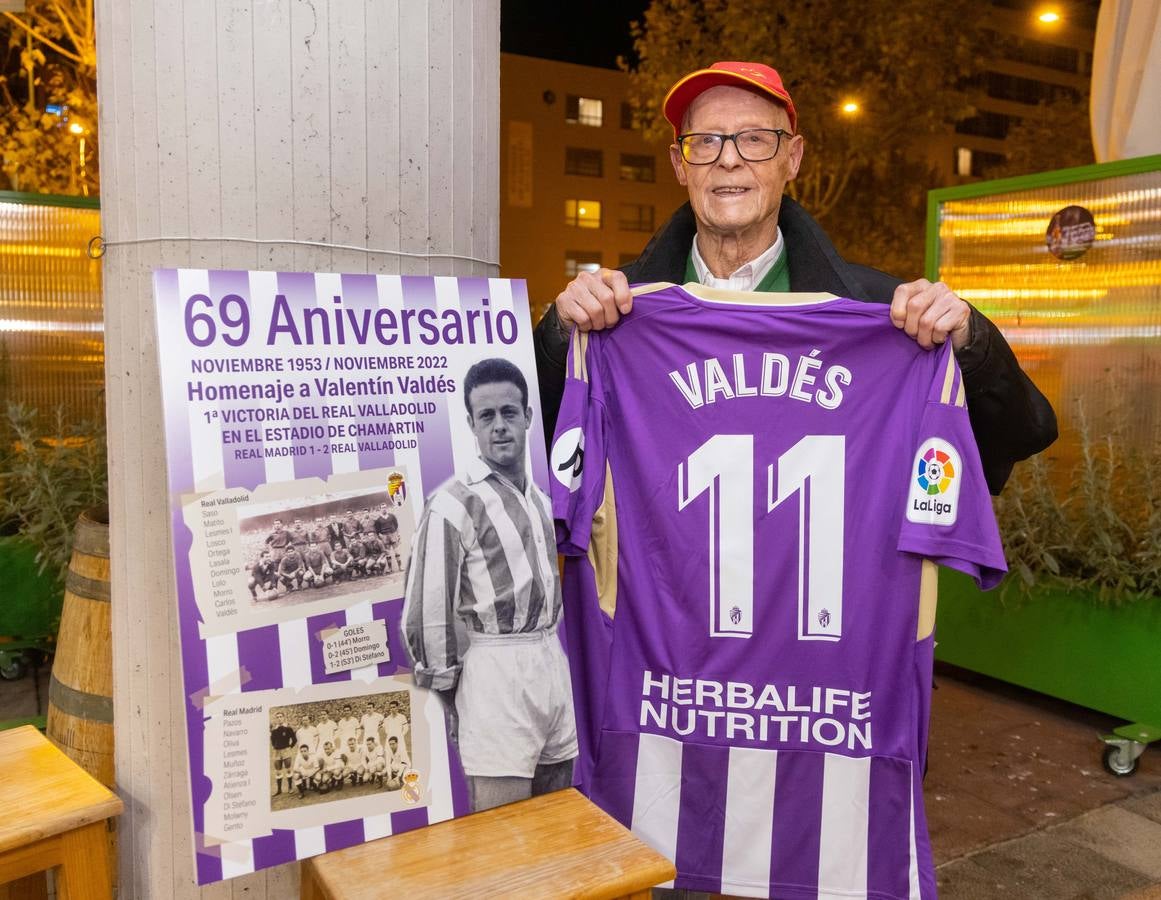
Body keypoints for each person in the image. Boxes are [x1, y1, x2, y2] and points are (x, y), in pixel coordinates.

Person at [533, 61, 1056, 494]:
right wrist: (560, 338)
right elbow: (522, 451)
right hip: (660, 618)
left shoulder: (880, 315)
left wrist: (969, 343)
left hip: (821, 619)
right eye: (706, 141)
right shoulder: (616, 315)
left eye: (756, 140)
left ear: (793, 158)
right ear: (679, 163)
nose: (729, 160)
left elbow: (1017, 436)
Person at [403, 358, 577, 813]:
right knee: (505, 836)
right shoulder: (453, 503)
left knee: (560, 823)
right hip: (495, 670)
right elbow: (429, 609)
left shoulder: (540, 498)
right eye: (487, 416)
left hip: (550, 662)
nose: (499, 426)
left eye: (509, 413)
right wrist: (453, 697)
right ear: (471, 425)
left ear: (527, 417)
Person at [269, 712, 297, 796]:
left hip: (286, 750)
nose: (279, 718)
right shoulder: (274, 730)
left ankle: (290, 787)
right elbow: (273, 741)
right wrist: (275, 747)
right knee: (278, 771)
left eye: (281, 716)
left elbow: (294, 739)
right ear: (276, 719)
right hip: (277, 752)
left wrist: (289, 747)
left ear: (284, 718)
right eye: (277, 717)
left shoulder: (288, 728)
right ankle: (279, 790)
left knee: (288, 769)